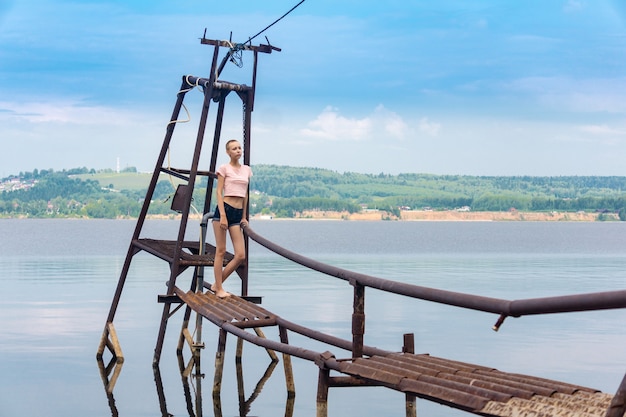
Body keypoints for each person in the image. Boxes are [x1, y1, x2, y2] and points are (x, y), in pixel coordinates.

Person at [211, 139, 252, 298]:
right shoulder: (224, 168)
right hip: (224, 210)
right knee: (220, 251)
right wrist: (222, 215)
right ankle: (219, 289)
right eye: (234, 149)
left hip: (237, 213)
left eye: (239, 148)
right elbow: (218, 192)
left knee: (240, 255)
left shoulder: (247, 170)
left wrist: (243, 216)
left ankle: (216, 284)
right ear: (228, 152)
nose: (238, 151)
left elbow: (245, 194)